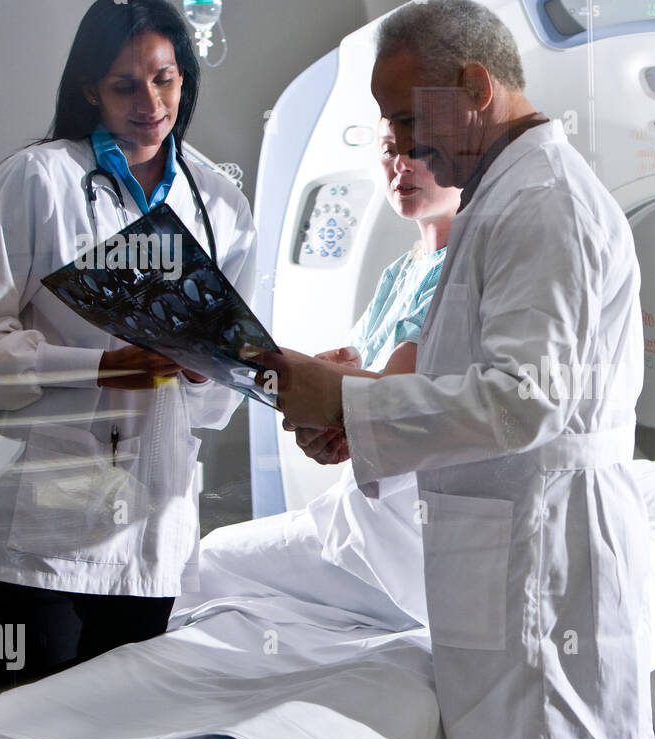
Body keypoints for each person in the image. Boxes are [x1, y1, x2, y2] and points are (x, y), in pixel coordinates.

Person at [256, 0, 652, 739]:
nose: (400, 144)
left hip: (546, 591)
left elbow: (526, 400)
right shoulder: (497, 200)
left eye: (405, 116)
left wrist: (349, 404)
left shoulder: (542, 202)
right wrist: (354, 407)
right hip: (506, 578)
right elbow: (463, 378)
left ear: (474, 86)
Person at [0, 0, 257, 699]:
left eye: (164, 78)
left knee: (125, 737)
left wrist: (208, 374)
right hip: (36, 527)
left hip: (153, 525)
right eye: (124, 84)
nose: (149, 101)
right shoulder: (39, 179)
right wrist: (102, 368)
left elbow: (219, 397)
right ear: (89, 89)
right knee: (26, 732)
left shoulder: (220, 205)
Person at [197, 117, 460, 630]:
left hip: (407, 534)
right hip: (365, 510)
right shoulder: (400, 272)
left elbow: (390, 401)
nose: (399, 164)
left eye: (419, 149)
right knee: (215, 563)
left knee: (206, 564)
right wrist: (326, 410)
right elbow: (355, 388)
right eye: (388, 150)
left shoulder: (461, 270)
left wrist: (312, 384)